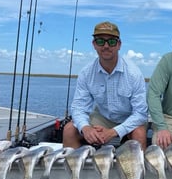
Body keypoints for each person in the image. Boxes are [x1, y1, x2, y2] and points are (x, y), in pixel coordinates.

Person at [63, 21, 148, 149]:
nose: (106, 46)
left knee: (139, 134)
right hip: (102, 117)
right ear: (94, 44)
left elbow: (140, 114)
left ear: (119, 45)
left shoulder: (134, 73)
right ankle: (74, 168)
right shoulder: (86, 73)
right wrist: (86, 128)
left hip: (129, 119)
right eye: (101, 41)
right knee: (69, 130)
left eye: (112, 42)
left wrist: (113, 132)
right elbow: (79, 108)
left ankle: (136, 169)